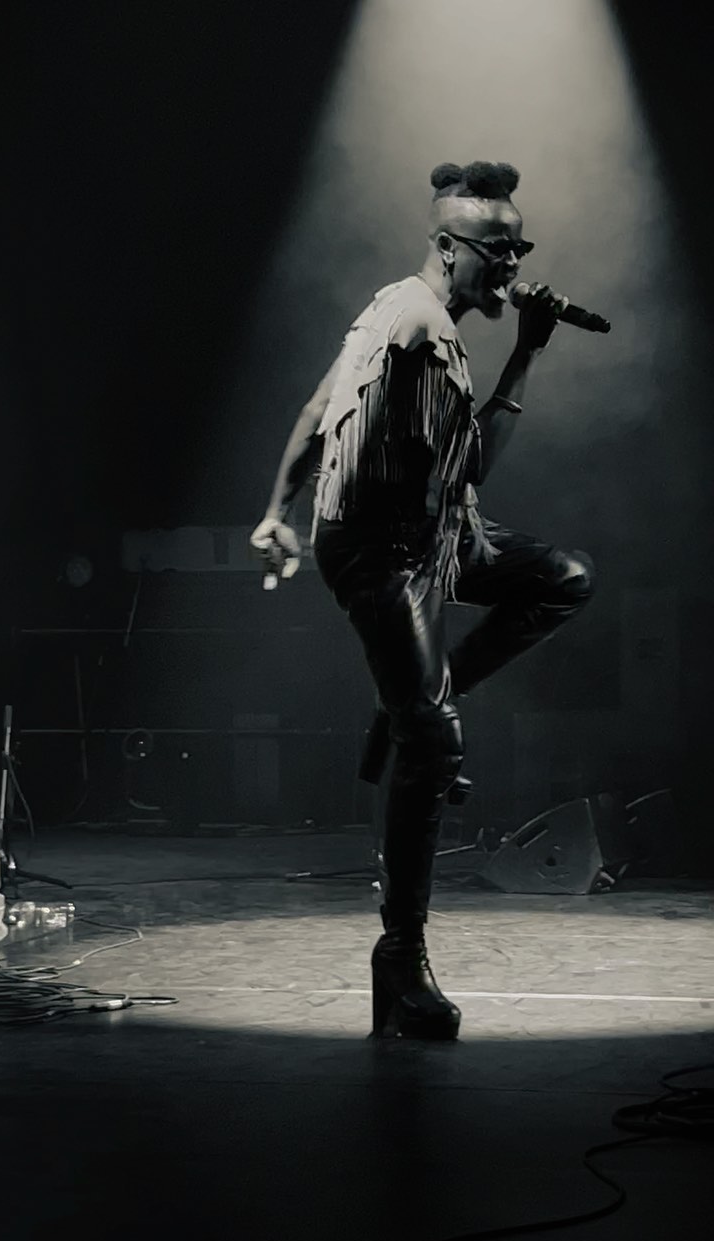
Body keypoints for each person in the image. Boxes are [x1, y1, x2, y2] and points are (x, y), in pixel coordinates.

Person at [250, 160, 595, 1041]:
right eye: (496, 250)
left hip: (432, 531)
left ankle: (409, 707)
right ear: (448, 247)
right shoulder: (420, 333)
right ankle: (400, 958)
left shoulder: (394, 304)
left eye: (519, 248)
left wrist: (275, 511)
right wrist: (528, 352)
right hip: (381, 549)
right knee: (435, 745)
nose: (512, 265)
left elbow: (318, 406)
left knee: (562, 579)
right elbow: (474, 463)